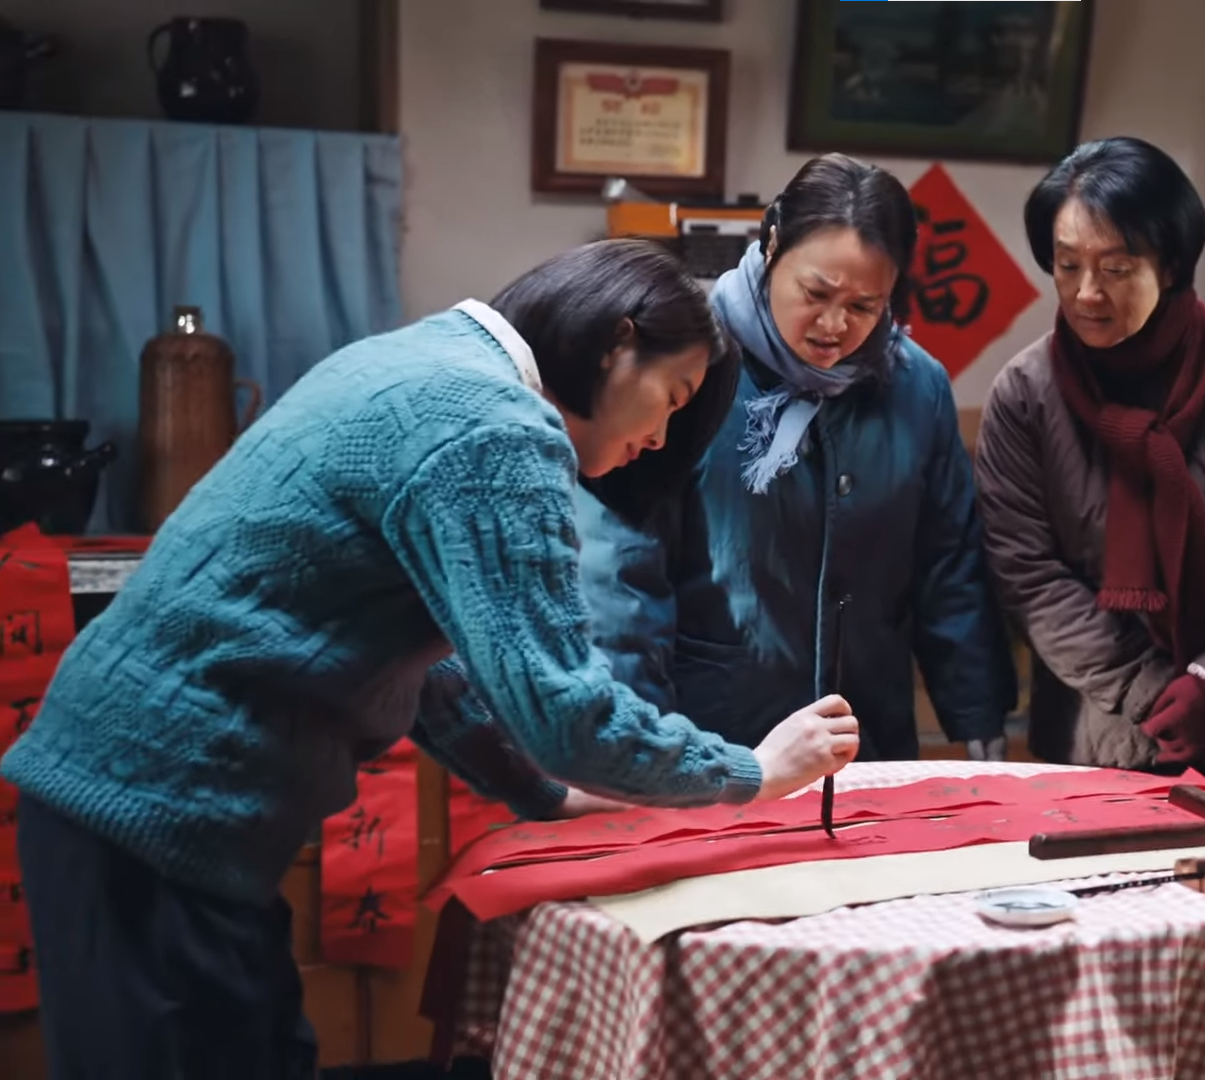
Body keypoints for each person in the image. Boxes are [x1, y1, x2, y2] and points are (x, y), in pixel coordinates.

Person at [1, 239, 861, 1079]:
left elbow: (425, 665)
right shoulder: (495, 427)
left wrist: (541, 793)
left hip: (142, 799)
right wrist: (750, 771)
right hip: (153, 802)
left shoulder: (428, 361)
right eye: (672, 397)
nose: (664, 435)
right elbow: (567, 715)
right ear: (617, 343)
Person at [573, 154, 1015, 762]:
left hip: (864, 736)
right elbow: (622, 571)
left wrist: (977, 709)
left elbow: (950, 564)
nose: (834, 325)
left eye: (864, 306)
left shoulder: (917, 387)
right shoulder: (691, 370)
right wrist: (633, 741)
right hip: (716, 740)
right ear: (773, 244)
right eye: (817, 293)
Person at [972, 136, 1205, 789]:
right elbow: (1029, 573)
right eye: (1067, 265)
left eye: (1117, 267)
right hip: (1096, 726)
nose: (1086, 292)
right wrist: (1156, 695)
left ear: (1171, 262)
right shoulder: (1025, 393)